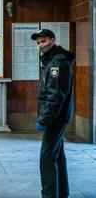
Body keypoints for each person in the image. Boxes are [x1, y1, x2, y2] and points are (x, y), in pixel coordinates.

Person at [31, 29, 76, 198]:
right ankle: (62, 193)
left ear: (53, 40)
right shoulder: (53, 61)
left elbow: (55, 95)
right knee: (58, 155)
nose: (40, 45)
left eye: (43, 41)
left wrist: (45, 119)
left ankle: (49, 195)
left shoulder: (57, 63)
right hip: (59, 116)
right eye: (38, 43)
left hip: (55, 118)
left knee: (47, 158)